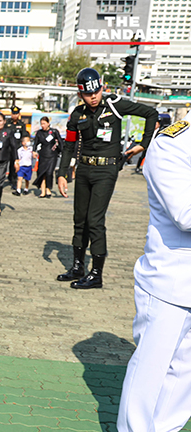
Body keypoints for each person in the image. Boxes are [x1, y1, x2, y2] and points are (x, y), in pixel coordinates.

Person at [108, 118, 191, 432]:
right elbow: (185, 214)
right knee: (153, 364)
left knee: (186, 369)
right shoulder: (172, 144)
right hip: (170, 276)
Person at [56, 68, 159, 289]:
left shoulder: (114, 104)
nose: (93, 97)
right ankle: (77, 266)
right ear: (80, 93)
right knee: (80, 220)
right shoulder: (77, 114)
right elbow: (69, 145)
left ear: (102, 87)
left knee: (95, 220)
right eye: (87, 93)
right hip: (83, 170)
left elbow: (151, 113)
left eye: (97, 91)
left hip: (106, 171)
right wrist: (62, 173)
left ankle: (96, 274)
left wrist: (143, 144)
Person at [32, 116, 61, 198]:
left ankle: (48, 189)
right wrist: (34, 151)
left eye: (44, 123)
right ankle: (42, 191)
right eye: (41, 124)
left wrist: (61, 150)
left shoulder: (54, 131)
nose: (43, 125)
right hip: (43, 155)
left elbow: (60, 142)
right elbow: (35, 143)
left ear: (48, 123)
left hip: (52, 155)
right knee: (42, 173)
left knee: (49, 172)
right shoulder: (39, 133)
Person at [5, 105, 28, 186]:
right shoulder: (7, 123)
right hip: (8, 147)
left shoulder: (21, 124)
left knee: (16, 164)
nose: (15, 115)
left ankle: (14, 180)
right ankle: (8, 177)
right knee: (6, 163)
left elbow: (24, 135)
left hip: (17, 147)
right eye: (13, 114)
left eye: (16, 114)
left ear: (19, 114)